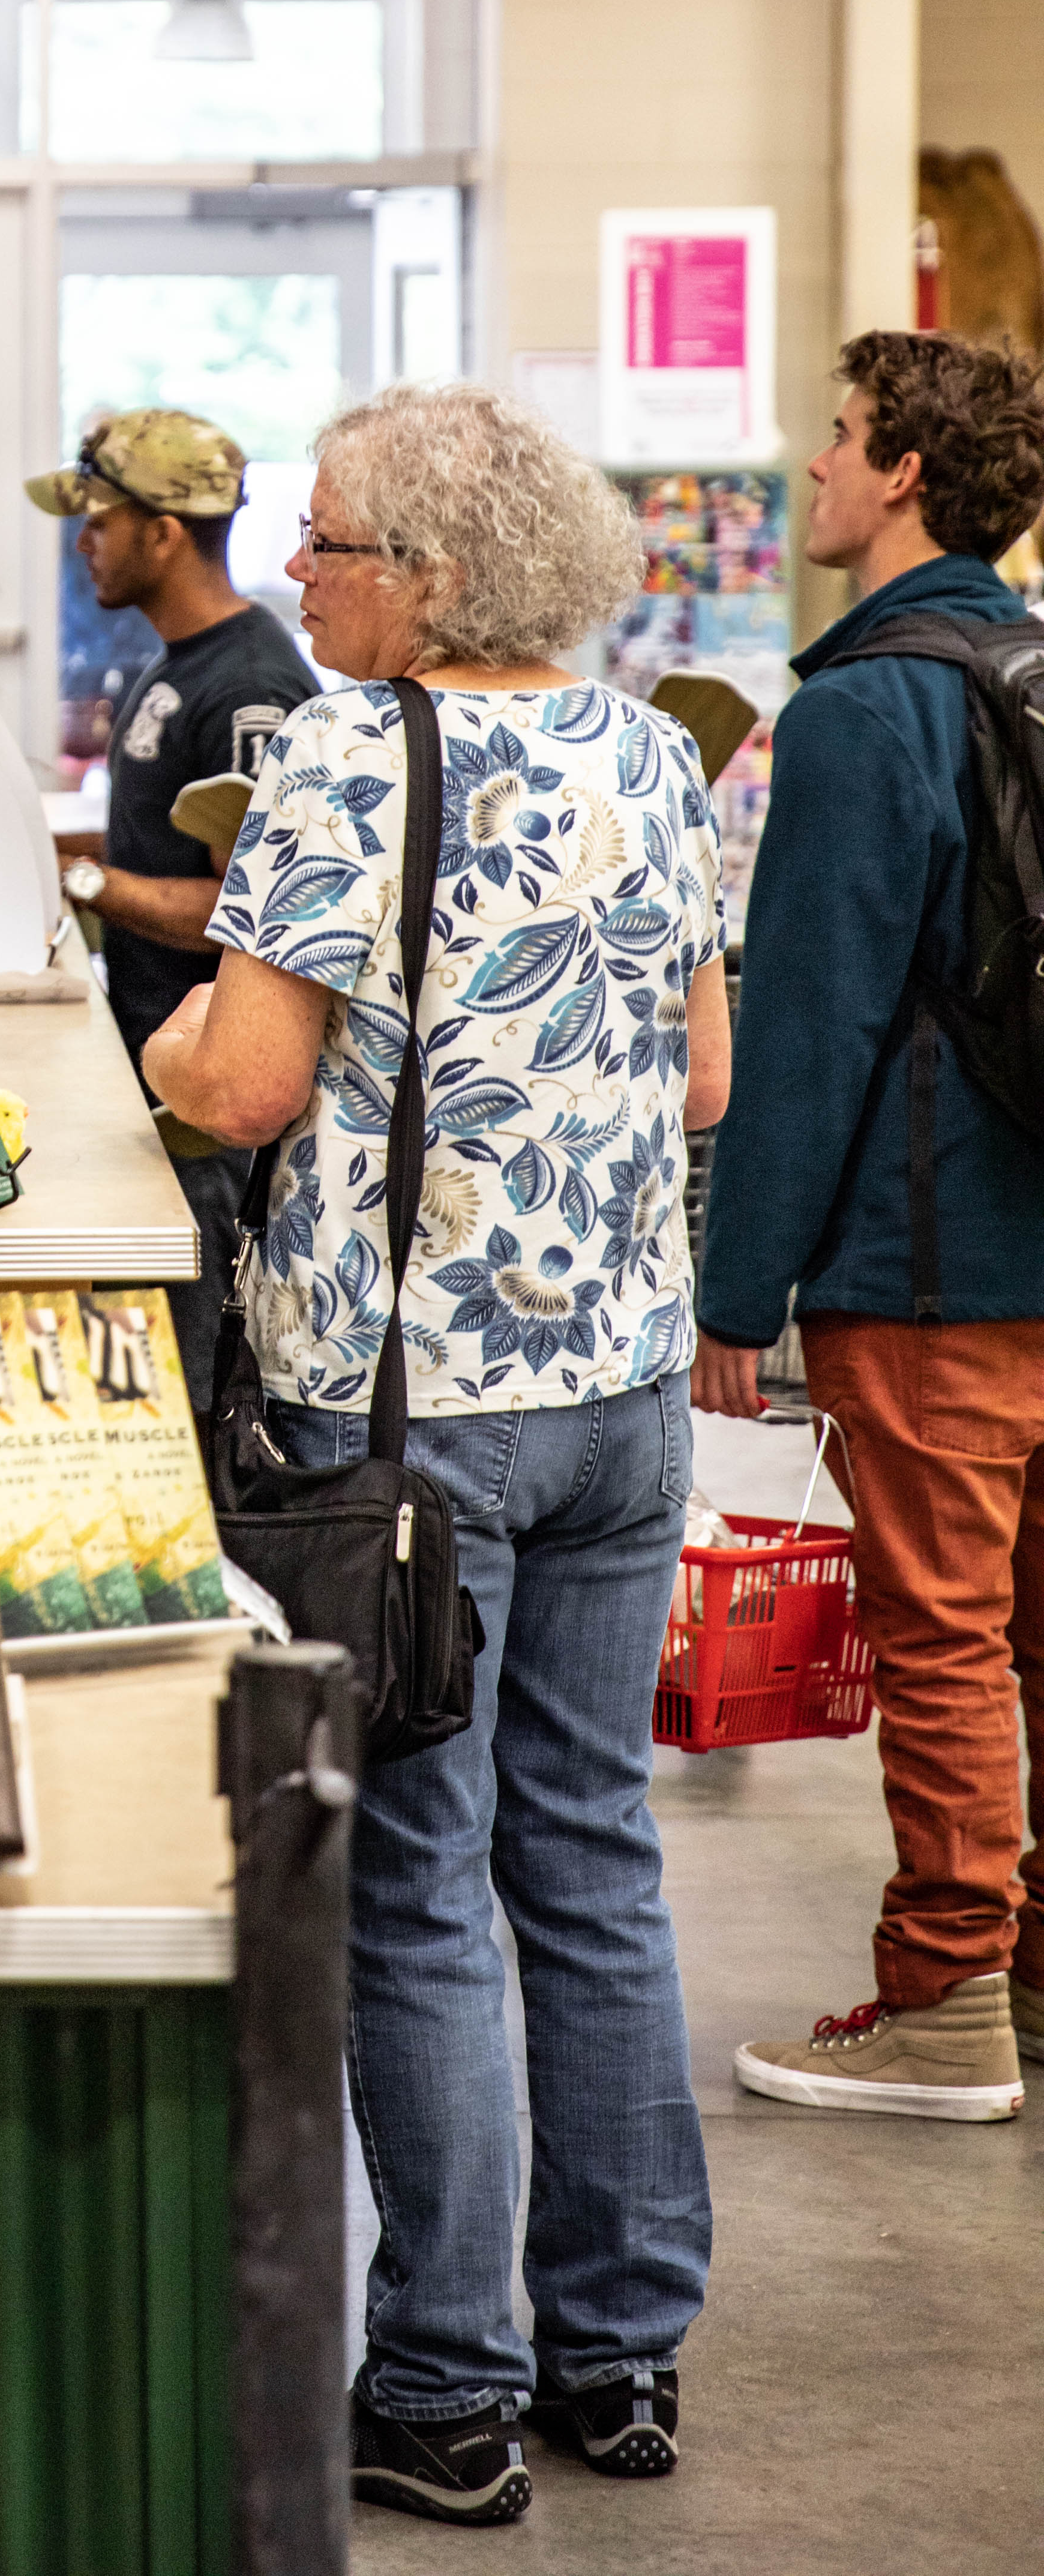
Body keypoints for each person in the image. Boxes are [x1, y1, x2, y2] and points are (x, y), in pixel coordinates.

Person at [142, 382, 728, 2530]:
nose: (296, 575)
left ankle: (454, 2385)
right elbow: (699, 1068)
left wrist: (166, 1031)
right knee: (588, 1851)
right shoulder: (653, 751)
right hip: (620, 1383)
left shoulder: (336, 756)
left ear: (434, 575)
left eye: (329, 543)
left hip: (408, 1410)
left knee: (413, 1875)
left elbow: (238, 1084)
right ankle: (619, 2346)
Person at [695, 330, 1044, 2126]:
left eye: (832, 436)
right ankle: (1028, 1969)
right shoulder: (1031, 664)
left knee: (936, 1632)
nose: (807, 464)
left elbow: (812, 1023)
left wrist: (730, 1284)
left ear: (902, 468)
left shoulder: (859, 702)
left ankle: (941, 1990)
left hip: (927, 1263)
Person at [22, 408, 313, 1408]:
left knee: (176, 1396)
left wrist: (82, 885)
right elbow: (161, 847)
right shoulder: (172, 663)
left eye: (99, 520)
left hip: (207, 1102)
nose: (82, 541)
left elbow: (252, 913)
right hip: (151, 1063)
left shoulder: (251, 688)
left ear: (164, 532)